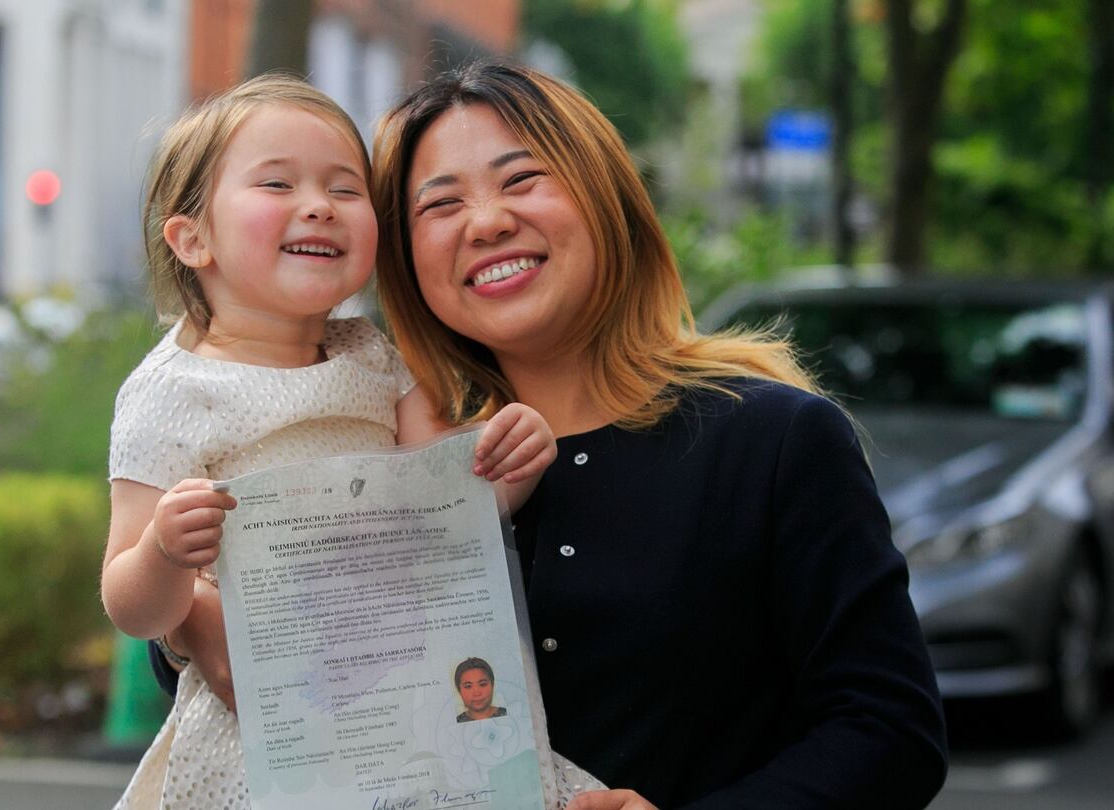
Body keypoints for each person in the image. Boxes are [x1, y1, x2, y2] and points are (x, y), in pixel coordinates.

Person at [369, 61, 949, 810]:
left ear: (605, 196)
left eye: (521, 181)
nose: (486, 222)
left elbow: (890, 730)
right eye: (440, 205)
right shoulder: (393, 464)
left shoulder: (773, 440)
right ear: (408, 265)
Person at [101, 73, 595, 810]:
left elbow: (448, 501)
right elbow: (130, 605)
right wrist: (165, 553)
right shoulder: (170, 393)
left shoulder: (371, 355)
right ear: (192, 237)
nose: (318, 207)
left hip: (411, 689)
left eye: (345, 188)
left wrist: (509, 452)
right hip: (270, 735)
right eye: (277, 184)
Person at [454, 657, 507, 722]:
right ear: (459, 691)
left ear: (492, 685)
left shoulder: (507, 714)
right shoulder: (457, 721)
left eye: (482, 684)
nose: (477, 693)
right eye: (468, 686)